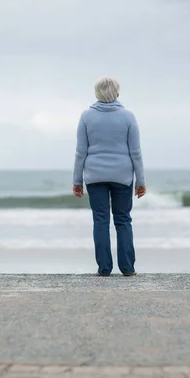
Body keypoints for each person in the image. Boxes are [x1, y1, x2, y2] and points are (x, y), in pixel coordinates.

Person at [72, 77, 146, 277]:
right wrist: (141, 180)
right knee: (123, 220)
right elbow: (136, 152)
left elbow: (81, 152)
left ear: (97, 93)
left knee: (101, 220)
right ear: (117, 93)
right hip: (122, 175)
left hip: (95, 176)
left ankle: (104, 268)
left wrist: (77, 180)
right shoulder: (128, 116)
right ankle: (127, 268)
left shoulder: (87, 117)